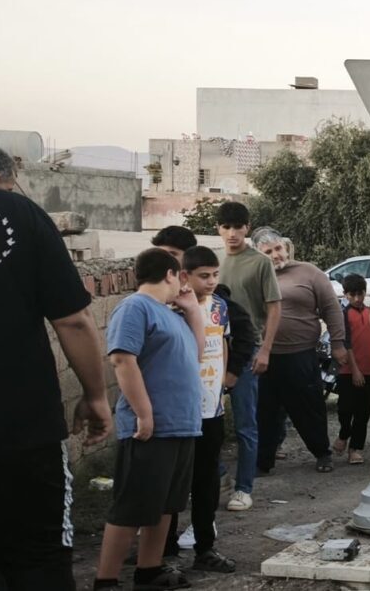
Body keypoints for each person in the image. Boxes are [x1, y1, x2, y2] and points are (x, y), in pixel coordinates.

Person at [0, 93, 110, 591]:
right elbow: (75, 322)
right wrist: (96, 395)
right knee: (35, 561)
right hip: (20, 436)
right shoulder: (19, 215)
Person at [94, 249, 205, 591]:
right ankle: (106, 579)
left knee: (165, 505)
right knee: (133, 504)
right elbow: (122, 360)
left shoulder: (172, 314)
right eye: (180, 277)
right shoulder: (135, 307)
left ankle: (149, 569)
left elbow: (196, 354)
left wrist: (193, 312)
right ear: (172, 274)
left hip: (181, 424)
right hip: (151, 427)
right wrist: (144, 413)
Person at [162, 246, 238, 574]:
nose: (211, 281)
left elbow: (221, 341)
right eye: (203, 276)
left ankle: (205, 547)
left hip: (211, 408)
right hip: (178, 411)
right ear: (185, 277)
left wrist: (221, 384)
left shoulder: (220, 306)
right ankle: (163, 551)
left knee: (206, 482)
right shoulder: (172, 308)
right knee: (172, 482)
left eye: (215, 275)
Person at [253, 227, 349, 474]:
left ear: (286, 246)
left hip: (301, 355)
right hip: (265, 356)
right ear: (258, 254)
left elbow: (331, 308)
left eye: (277, 248)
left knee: (309, 407)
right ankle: (264, 461)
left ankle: (322, 453)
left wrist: (338, 344)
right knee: (265, 411)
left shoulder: (309, 272)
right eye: (267, 251)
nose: (275, 255)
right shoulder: (255, 276)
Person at [215, 201, 282, 512]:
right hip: (215, 351)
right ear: (219, 229)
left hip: (249, 348)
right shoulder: (214, 263)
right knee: (205, 421)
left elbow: (274, 307)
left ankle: (244, 488)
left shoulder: (260, 262)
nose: (231, 233)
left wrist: (266, 349)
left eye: (237, 227)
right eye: (226, 227)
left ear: (247, 228)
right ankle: (219, 476)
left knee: (245, 421)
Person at [333, 274, 370, 465]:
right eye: (353, 295)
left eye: (361, 294)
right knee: (345, 408)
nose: (358, 299)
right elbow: (347, 343)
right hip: (348, 371)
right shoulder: (343, 315)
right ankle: (344, 433)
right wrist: (355, 370)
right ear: (346, 295)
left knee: (364, 412)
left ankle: (355, 448)